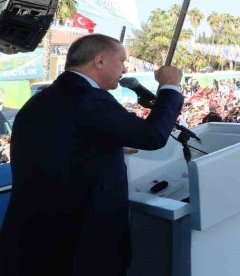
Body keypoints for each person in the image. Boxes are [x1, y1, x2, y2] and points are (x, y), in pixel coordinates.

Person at [0, 34, 184, 276]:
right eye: (122, 61)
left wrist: (104, 144)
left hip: (34, 240)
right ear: (100, 60)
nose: (124, 69)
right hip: (79, 246)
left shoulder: (42, 100)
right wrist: (170, 87)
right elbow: (152, 136)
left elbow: (59, 144)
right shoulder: (88, 98)